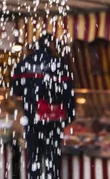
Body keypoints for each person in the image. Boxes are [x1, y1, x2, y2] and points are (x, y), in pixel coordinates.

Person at [11, 35, 75, 179]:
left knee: (34, 158)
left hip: (32, 119)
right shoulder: (59, 64)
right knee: (52, 159)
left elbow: (16, 91)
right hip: (53, 121)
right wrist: (70, 116)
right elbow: (68, 93)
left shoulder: (24, 64)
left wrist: (31, 98)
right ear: (51, 44)